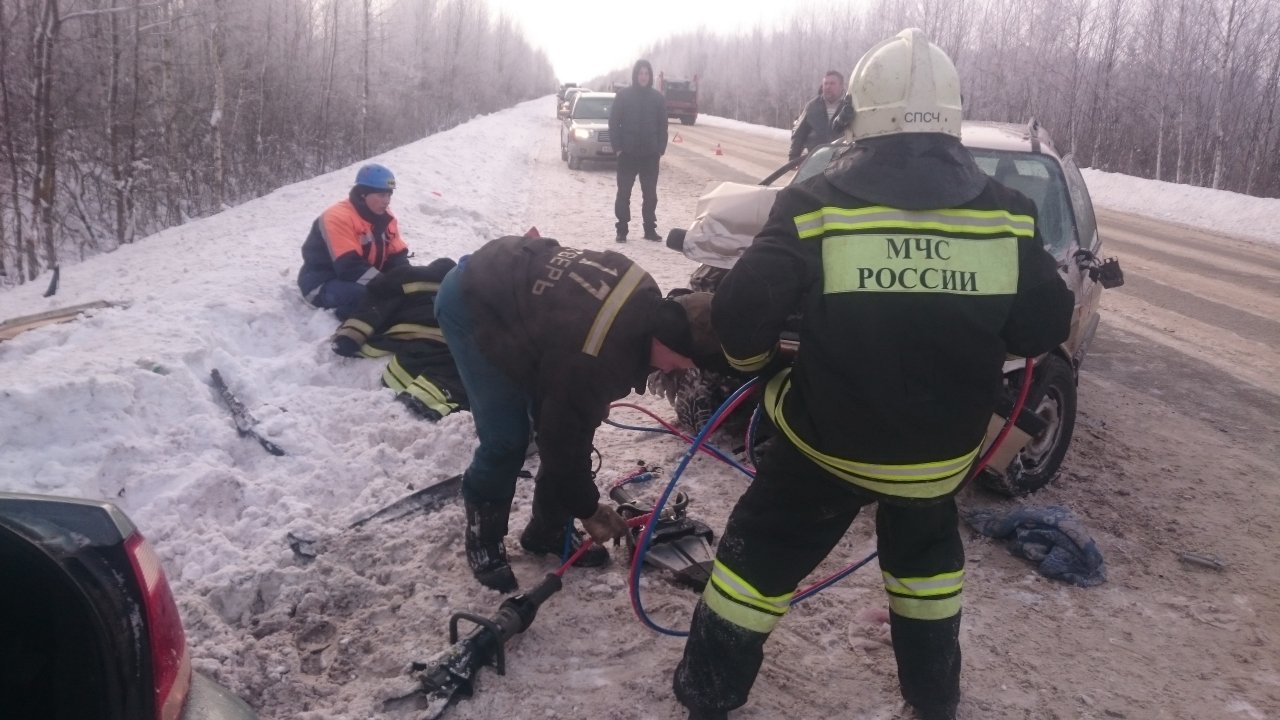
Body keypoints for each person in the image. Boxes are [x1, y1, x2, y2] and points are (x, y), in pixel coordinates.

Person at [671, 28, 1074, 720]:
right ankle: (934, 700)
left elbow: (740, 314)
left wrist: (755, 370)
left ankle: (708, 696)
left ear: (858, 116)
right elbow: (1041, 327)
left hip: (827, 447)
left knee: (754, 563)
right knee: (927, 571)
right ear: (952, 121)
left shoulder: (815, 203)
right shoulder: (1008, 214)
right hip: (940, 458)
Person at [433, 234, 722, 593]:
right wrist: (587, 508)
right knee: (508, 438)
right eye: (681, 363)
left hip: (527, 309)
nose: (676, 372)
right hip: (473, 300)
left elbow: (573, 421)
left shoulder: (645, 304)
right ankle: (484, 539)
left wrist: (575, 498)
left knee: (565, 419)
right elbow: (560, 439)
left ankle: (547, 531)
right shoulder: (597, 354)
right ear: (667, 342)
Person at [297, 163, 409, 319]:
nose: (387, 201)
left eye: (389, 195)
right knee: (371, 298)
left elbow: (396, 255)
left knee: (406, 290)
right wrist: (383, 284)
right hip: (323, 282)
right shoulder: (337, 217)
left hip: (361, 276)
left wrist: (405, 278)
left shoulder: (385, 216)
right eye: (381, 195)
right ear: (363, 194)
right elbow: (349, 266)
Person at [608, 59, 668, 243]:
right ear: (635, 75)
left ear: (650, 76)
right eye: (640, 73)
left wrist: (660, 150)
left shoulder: (657, 98)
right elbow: (613, 123)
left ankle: (649, 229)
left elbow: (662, 126)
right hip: (627, 154)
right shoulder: (623, 96)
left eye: (646, 73)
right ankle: (622, 230)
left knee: (650, 195)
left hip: (650, 156)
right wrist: (618, 149)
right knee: (623, 193)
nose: (643, 76)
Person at [788, 70, 851, 162]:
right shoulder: (812, 106)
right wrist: (794, 156)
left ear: (842, 86)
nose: (828, 87)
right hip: (816, 161)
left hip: (843, 161)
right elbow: (799, 133)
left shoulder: (850, 106)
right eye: (825, 84)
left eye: (832, 83)